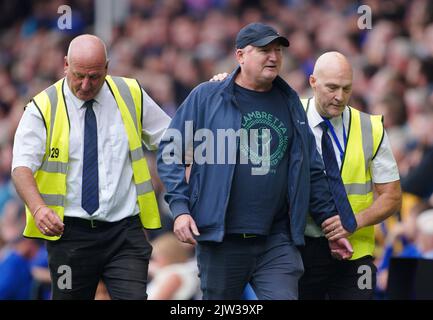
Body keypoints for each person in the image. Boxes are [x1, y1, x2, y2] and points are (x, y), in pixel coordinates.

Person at [157, 23, 351, 300]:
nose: (273, 56)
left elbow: (311, 169)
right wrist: (181, 208)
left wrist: (331, 222)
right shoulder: (206, 97)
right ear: (240, 56)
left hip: (276, 239)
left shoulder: (289, 101)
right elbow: (170, 152)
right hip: (220, 239)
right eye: (264, 50)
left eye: (278, 50)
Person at [11, 34, 171, 300]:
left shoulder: (131, 94)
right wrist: (38, 208)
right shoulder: (42, 107)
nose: (85, 85)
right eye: (78, 75)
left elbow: (170, 139)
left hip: (125, 233)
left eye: (95, 76)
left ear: (107, 68)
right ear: (65, 65)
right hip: (69, 236)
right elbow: (21, 167)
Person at [298, 51, 402, 299]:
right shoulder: (290, 115)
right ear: (313, 81)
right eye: (332, 88)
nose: (339, 97)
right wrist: (222, 84)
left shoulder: (371, 128)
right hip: (301, 249)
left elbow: (392, 197)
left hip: (356, 253)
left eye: (347, 89)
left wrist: (354, 221)